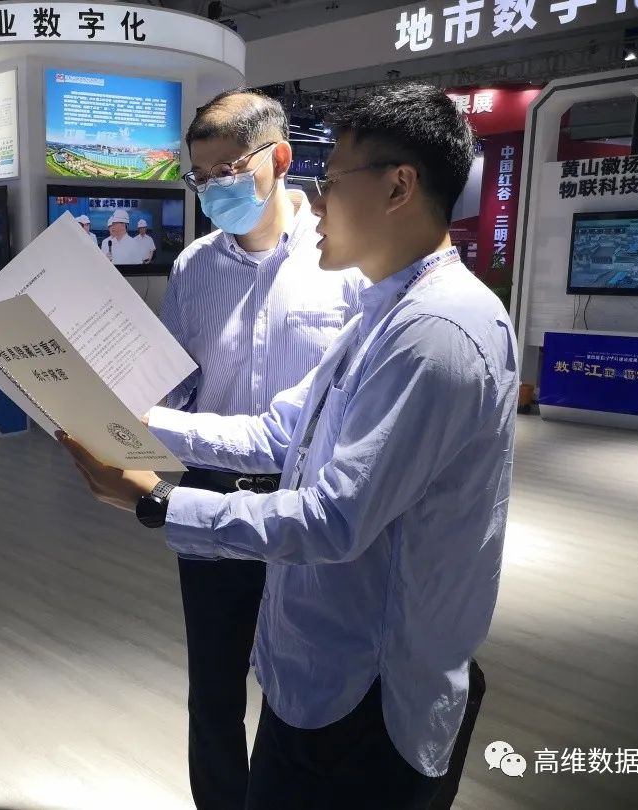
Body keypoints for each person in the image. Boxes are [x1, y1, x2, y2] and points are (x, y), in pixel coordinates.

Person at [62, 83, 518, 810]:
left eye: (333, 181)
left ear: (398, 187)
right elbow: (278, 432)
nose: (320, 202)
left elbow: (333, 521)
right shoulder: (382, 313)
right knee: (217, 699)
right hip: (322, 663)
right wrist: (132, 420)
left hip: (367, 690)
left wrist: (159, 505)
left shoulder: (434, 334)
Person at [158, 88, 366, 810]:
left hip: (306, 498)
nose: (211, 190)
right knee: (213, 688)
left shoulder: (344, 260)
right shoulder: (194, 267)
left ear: (278, 159)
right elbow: (176, 382)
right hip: (211, 486)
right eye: (199, 177)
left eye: (224, 172)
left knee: (305, 683)